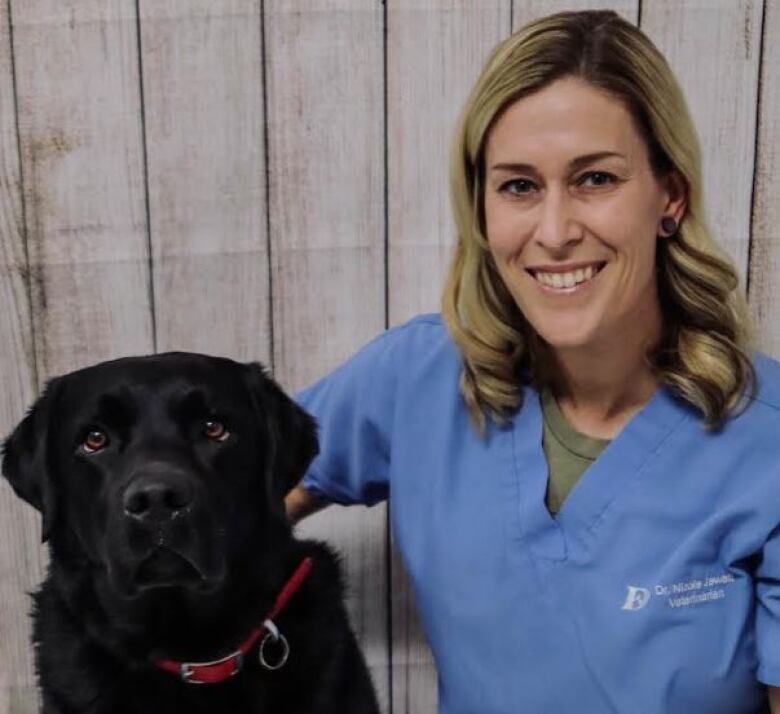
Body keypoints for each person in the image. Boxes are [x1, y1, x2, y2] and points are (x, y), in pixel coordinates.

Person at [285, 9, 780, 713]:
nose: (554, 232)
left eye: (595, 179)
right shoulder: (414, 380)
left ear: (669, 196)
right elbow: (222, 511)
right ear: (482, 210)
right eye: (518, 186)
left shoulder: (767, 445)